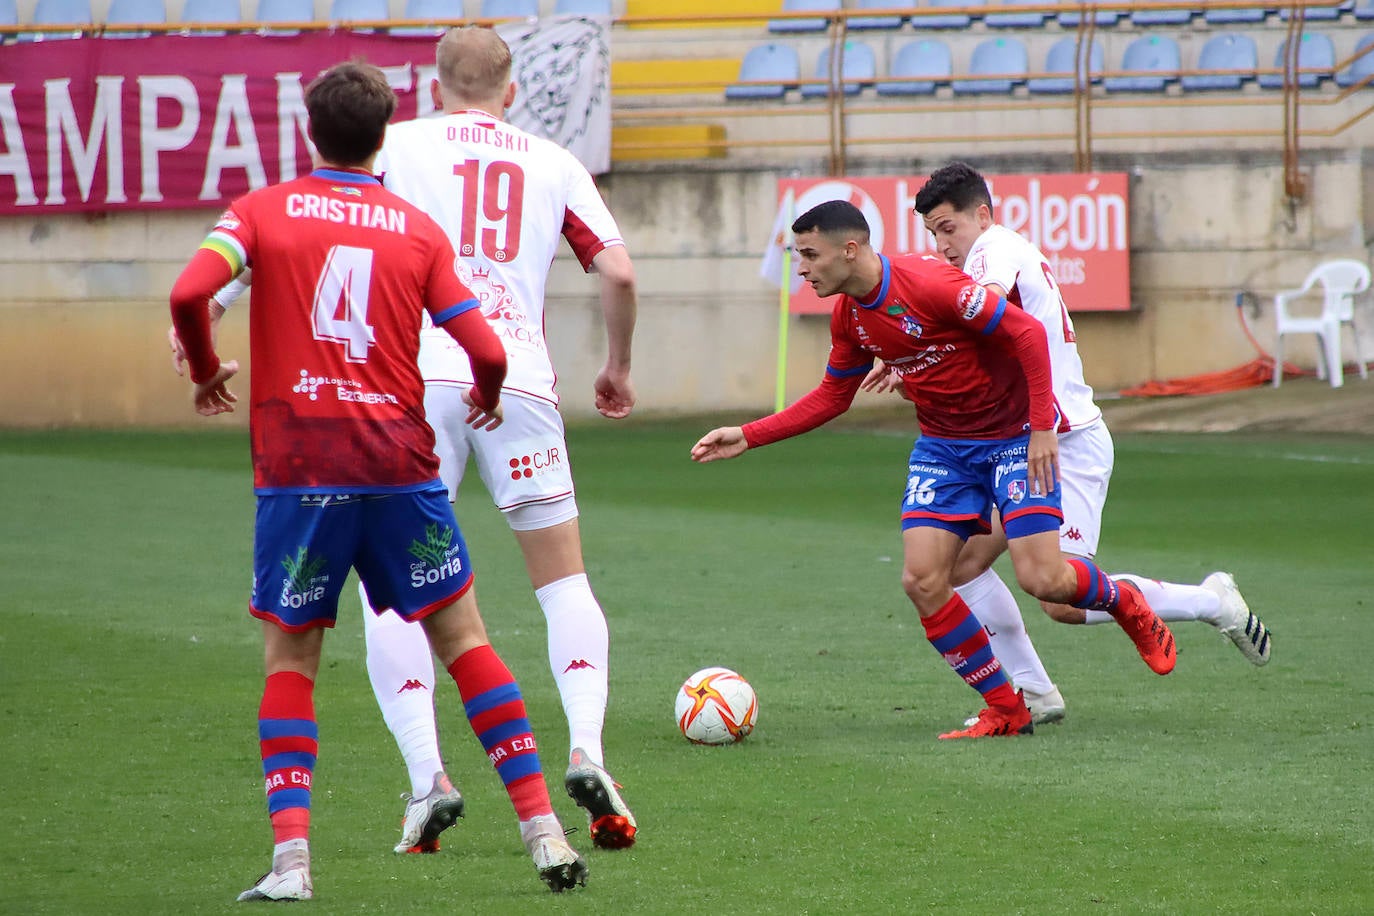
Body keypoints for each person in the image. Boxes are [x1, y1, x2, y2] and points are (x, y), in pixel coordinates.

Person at [167, 61, 587, 899]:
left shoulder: (260, 212)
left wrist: (208, 370)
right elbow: (490, 348)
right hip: (399, 468)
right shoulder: (416, 229)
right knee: (465, 640)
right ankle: (543, 832)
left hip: (301, 472)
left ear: (309, 130)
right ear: (383, 135)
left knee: (292, 660)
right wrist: (490, 396)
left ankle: (292, 862)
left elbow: (190, 293)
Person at [691, 199, 1179, 740]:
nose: (801, 267)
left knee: (1044, 579)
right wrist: (749, 434)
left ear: (849, 250)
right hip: (944, 449)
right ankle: (1007, 708)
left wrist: (1043, 428)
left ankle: (1123, 599)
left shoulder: (930, 284)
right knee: (923, 580)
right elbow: (833, 397)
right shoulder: (849, 317)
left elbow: (1026, 334)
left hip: (1013, 437)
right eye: (797, 255)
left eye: (810, 254)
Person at [363, 25, 639, 853]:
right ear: (511, 89)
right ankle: (588, 750)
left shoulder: (393, 144)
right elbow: (619, 271)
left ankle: (427, 778)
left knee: (393, 588)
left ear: (432, 82)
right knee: (562, 583)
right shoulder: (551, 160)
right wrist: (617, 365)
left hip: (416, 380)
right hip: (515, 374)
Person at [876, 162, 1271, 725]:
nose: (941, 246)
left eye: (947, 229)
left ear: (981, 216)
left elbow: (981, 320)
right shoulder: (993, 253)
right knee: (959, 566)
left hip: (1065, 443)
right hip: (1015, 446)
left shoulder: (993, 250)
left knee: (1058, 598)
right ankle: (1035, 693)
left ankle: (1212, 601)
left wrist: (914, 354)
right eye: (933, 235)